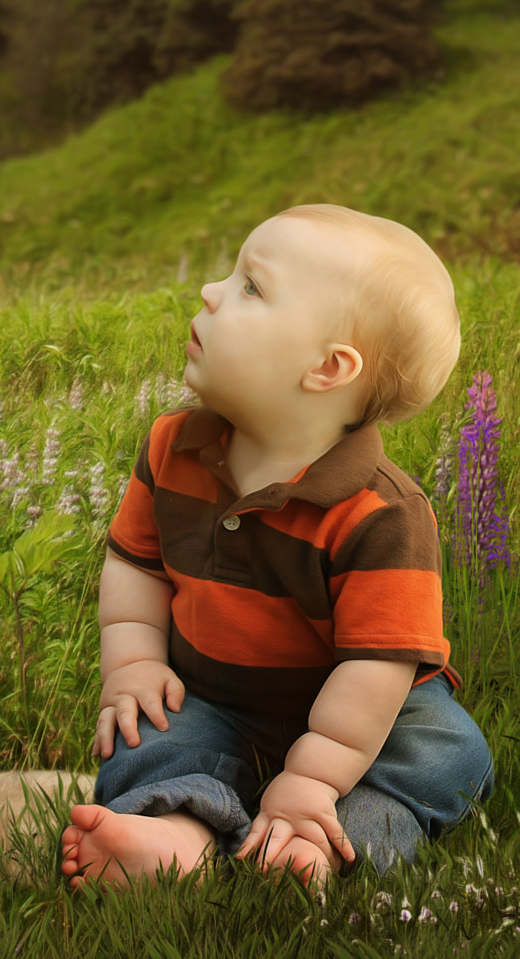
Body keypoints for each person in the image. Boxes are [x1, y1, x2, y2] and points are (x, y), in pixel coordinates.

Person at [60, 204, 491, 891]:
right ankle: (179, 838)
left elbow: (377, 666)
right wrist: (134, 663)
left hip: (365, 707)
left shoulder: (383, 514)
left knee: (445, 753)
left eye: (250, 287)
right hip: (215, 690)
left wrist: (314, 776)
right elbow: (135, 564)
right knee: (151, 729)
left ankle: (324, 842)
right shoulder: (175, 448)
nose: (210, 292)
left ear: (327, 368)